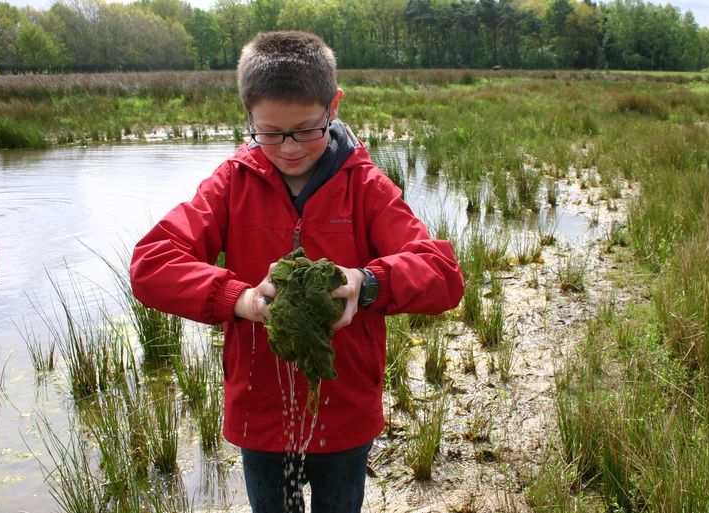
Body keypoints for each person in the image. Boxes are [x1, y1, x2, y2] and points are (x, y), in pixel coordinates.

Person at [130, 30, 464, 513]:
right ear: (248, 117)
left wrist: (365, 284)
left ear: (334, 106)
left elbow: (443, 273)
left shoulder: (366, 187)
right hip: (259, 414)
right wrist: (242, 301)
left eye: (306, 129)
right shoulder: (230, 185)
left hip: (345, 408)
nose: (287, 147)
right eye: (269, 132)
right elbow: (151, 263)